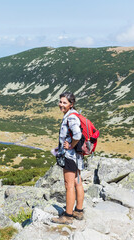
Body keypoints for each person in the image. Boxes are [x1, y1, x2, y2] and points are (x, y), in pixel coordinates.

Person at [51, 91, 85, 224]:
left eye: (64, 102)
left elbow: (77, 134)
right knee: (78, 182)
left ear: (71, 104)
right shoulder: (75, 114)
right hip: (78, 156)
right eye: (60, 101)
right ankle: (79, 211)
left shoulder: (70, 117)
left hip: (70, 156)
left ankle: (68, 216)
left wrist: (70, 145)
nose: (61, 104)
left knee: (69, 185)